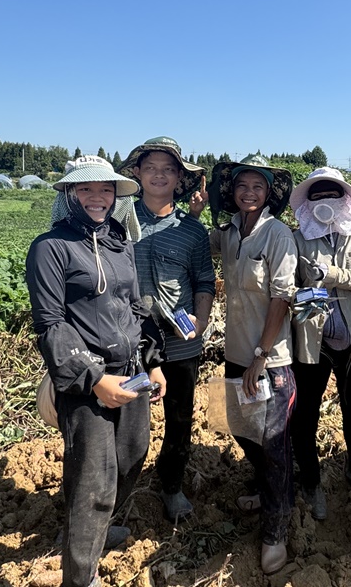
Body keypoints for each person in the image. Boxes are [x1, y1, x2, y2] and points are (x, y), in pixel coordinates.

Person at [26, 155, 167, 587]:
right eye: (86, 189)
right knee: (94, 485)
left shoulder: (118, 240)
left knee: (132, 457)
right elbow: (51, 324)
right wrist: (95, 379)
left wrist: (152, 360)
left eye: (105, 189)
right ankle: (80, 575)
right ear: (70, 194)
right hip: (87, 380)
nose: (97, 197)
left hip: (131, 372)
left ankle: (95, 531)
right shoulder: (50, 248)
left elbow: (133, 305)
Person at [117, 137, 216, 523]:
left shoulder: (192, 232)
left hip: (180, 344)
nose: (159, 174)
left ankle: (171, 485)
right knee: (127, 425)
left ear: (179, 178)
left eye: (168, 169)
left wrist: (202, 320)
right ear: (138, 174)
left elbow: (205, 281)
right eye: (151, 167)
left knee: (179, 419)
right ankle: (119, 496)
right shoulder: (119, 223)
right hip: (127, 343)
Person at [209, 154, 298, 575]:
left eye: (257, 187)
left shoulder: (277, 234)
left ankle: (275, 531)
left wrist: (261, 357)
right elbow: (197, 247)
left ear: (268, 194)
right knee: (245, 431)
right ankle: (270, 491)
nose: (249, 192)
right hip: (234, 354)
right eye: (242, 185)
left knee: (274, 444)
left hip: (269, 360)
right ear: (233, 191)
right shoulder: (228, 233)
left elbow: (282, 297)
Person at [289, 167, 351, 520]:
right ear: (309, 202)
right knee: (305, 415)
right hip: (312, 340)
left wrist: (328, 274)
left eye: (332, 195)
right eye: (317, 196)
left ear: (344, 198)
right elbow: (290, 281)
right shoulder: (298, 235)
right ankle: (311, 480)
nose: (325, 202)